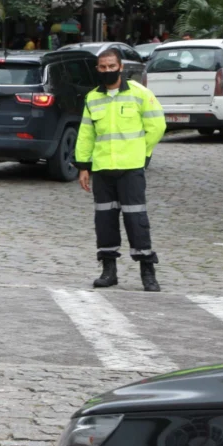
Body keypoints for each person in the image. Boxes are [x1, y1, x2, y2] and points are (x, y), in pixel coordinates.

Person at [75, 48, 166, 292]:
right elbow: (86, 134)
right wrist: (83, 166)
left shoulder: (139, 93)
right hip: (103, 169)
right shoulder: (92, 98)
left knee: (136, 219)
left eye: (111, 66)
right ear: (98, 69)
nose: (107, 70)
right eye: (103, 67)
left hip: (130, 168)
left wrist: (143, 153)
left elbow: (157, 125)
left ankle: (147, 271)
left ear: (120, 67)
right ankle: (109, 271)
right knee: (104, 220)